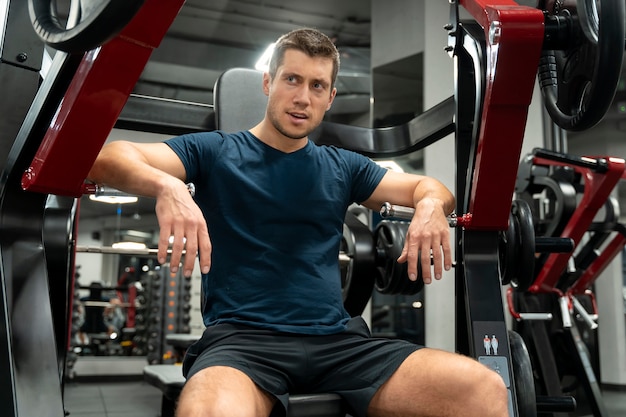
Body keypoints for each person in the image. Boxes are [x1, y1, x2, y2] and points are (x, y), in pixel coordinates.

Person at [88, 28, 508, 417]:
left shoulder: (343, 167)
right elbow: (107, 158)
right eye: (292, 79)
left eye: (317, 86)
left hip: (339, 344)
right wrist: (167, 186)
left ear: (330, 97)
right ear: (268, 83)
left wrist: (432, 206)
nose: (303, 96)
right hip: (243, 344)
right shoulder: (216, 152)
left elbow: (429, 187)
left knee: (485, 389)